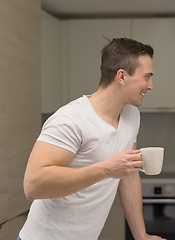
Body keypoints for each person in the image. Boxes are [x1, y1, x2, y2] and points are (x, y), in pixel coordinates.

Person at [18, 38, 165, 240]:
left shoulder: (131, 115)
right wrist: (106, 169)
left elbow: (129, 175)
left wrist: (142, 236)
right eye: (147, 77)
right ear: (122, 76)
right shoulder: (71, 119)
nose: (151, 86)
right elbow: (33, 186)